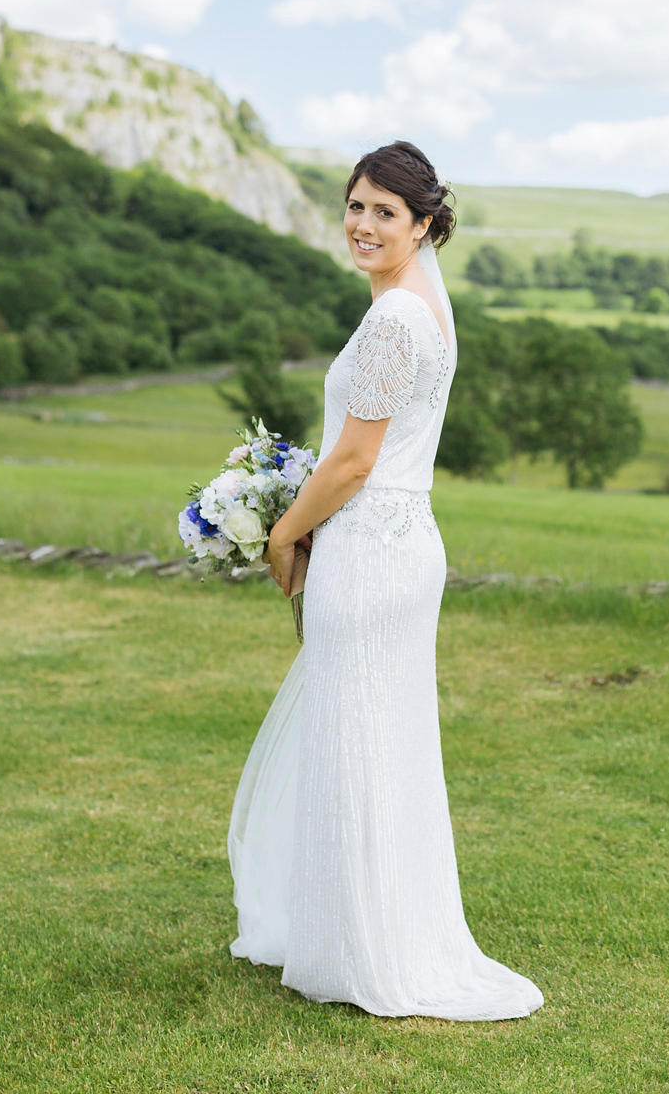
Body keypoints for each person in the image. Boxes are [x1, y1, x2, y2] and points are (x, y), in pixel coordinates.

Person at [228, 140, 543, 1020]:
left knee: (357, 736)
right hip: (406, 546)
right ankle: (372, 929)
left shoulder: (394, 321)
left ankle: (365, 950)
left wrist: (283, 532)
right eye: (356, 206)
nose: (364, 225)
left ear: (424, 224)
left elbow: (357, 460)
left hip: (368, 547)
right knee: (380, 738)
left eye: (386, 213)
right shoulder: (425, 312)